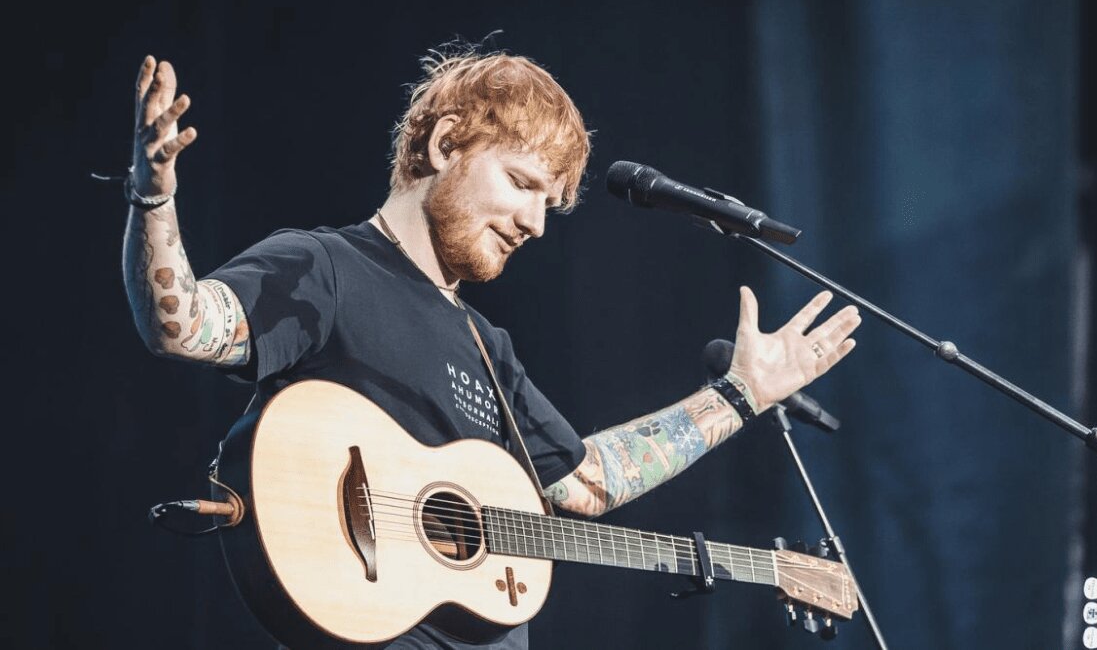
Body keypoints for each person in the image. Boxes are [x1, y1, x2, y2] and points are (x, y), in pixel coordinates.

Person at [122, 48, 862, 649]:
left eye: (550, 204)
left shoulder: (487, 344)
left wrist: (741, 394)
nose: (536, 223)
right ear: (445, 144)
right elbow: (184, 324)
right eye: (521, 182)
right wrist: (154, 196)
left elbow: (588, 482)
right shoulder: (327, 268)